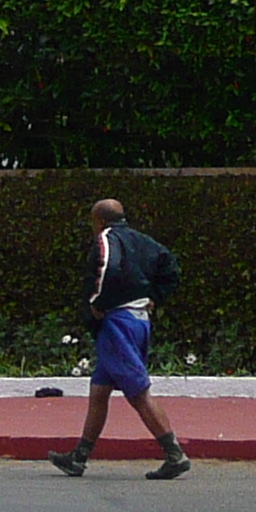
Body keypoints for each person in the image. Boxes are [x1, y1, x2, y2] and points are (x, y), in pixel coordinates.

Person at [50, 197, 191, 480]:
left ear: (99, 220)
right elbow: (171, 267)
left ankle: (174, 454)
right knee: (100, 391)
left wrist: (97, 302)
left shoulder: (106, 239)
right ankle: (79, 457)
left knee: (138, 392)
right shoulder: (143, 241)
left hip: (118, 322)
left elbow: (106, 268)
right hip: (139, 319)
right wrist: (155, 297)